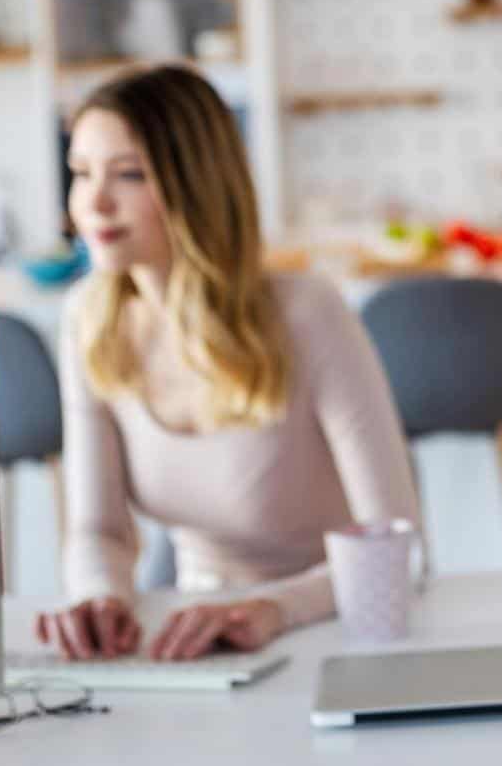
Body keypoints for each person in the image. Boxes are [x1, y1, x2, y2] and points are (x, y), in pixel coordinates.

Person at [35, 64, 418, 662]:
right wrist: (100, 597)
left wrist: (273, 609)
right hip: (199, 636)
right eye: (81, 174)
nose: (95, 203)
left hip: (332, 629)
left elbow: (395, 542)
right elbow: (100, 532)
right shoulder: (89, 317)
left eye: (129, 174)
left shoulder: (307, 314)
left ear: (196, 185)